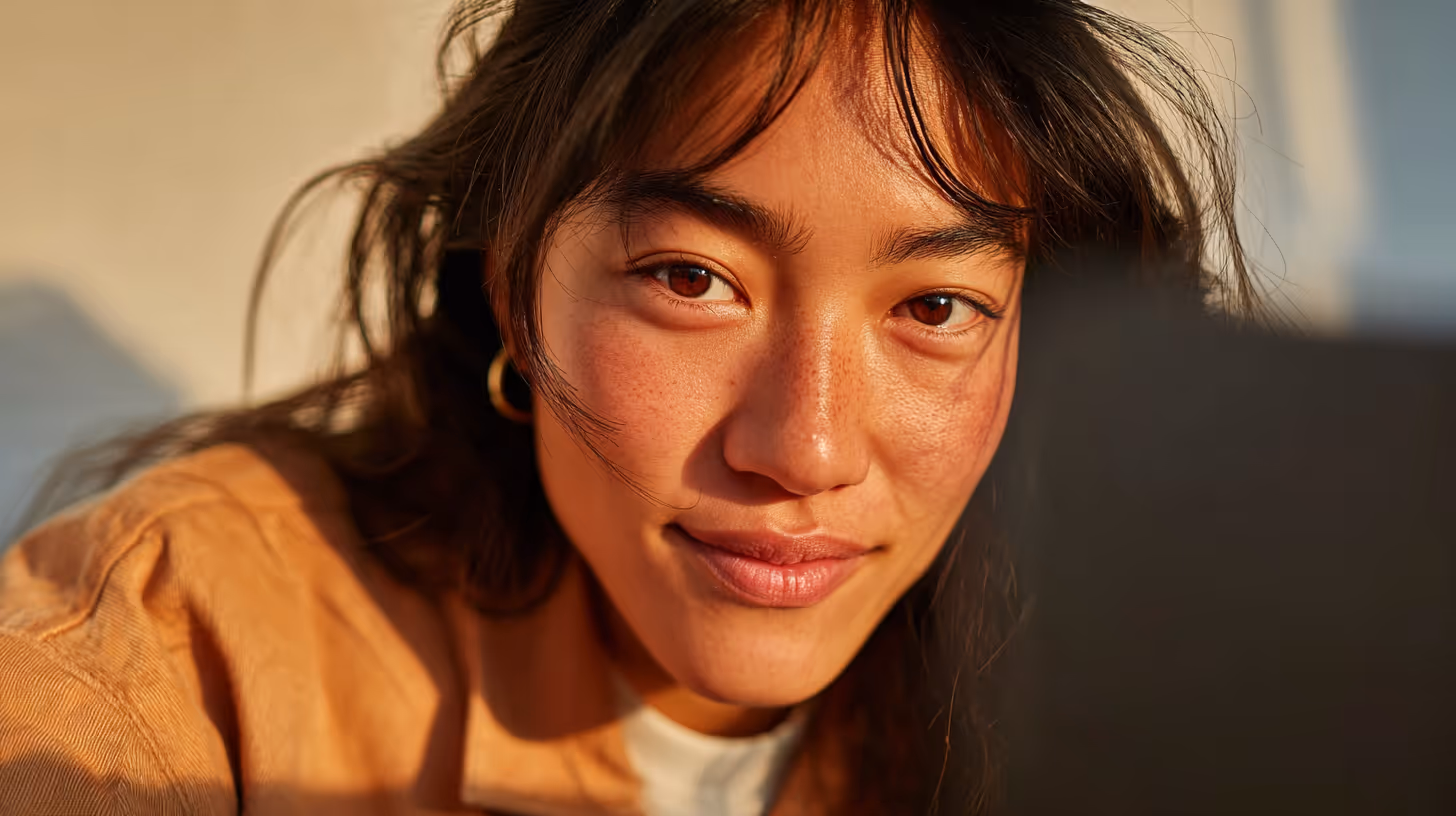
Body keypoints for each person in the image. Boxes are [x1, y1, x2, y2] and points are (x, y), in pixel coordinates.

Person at [0, 0, 1256, 813]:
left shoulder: (1126, 700)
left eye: (934, 308)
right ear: (512, 286)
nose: (803, 448)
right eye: (690, 279)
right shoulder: (171, 657)